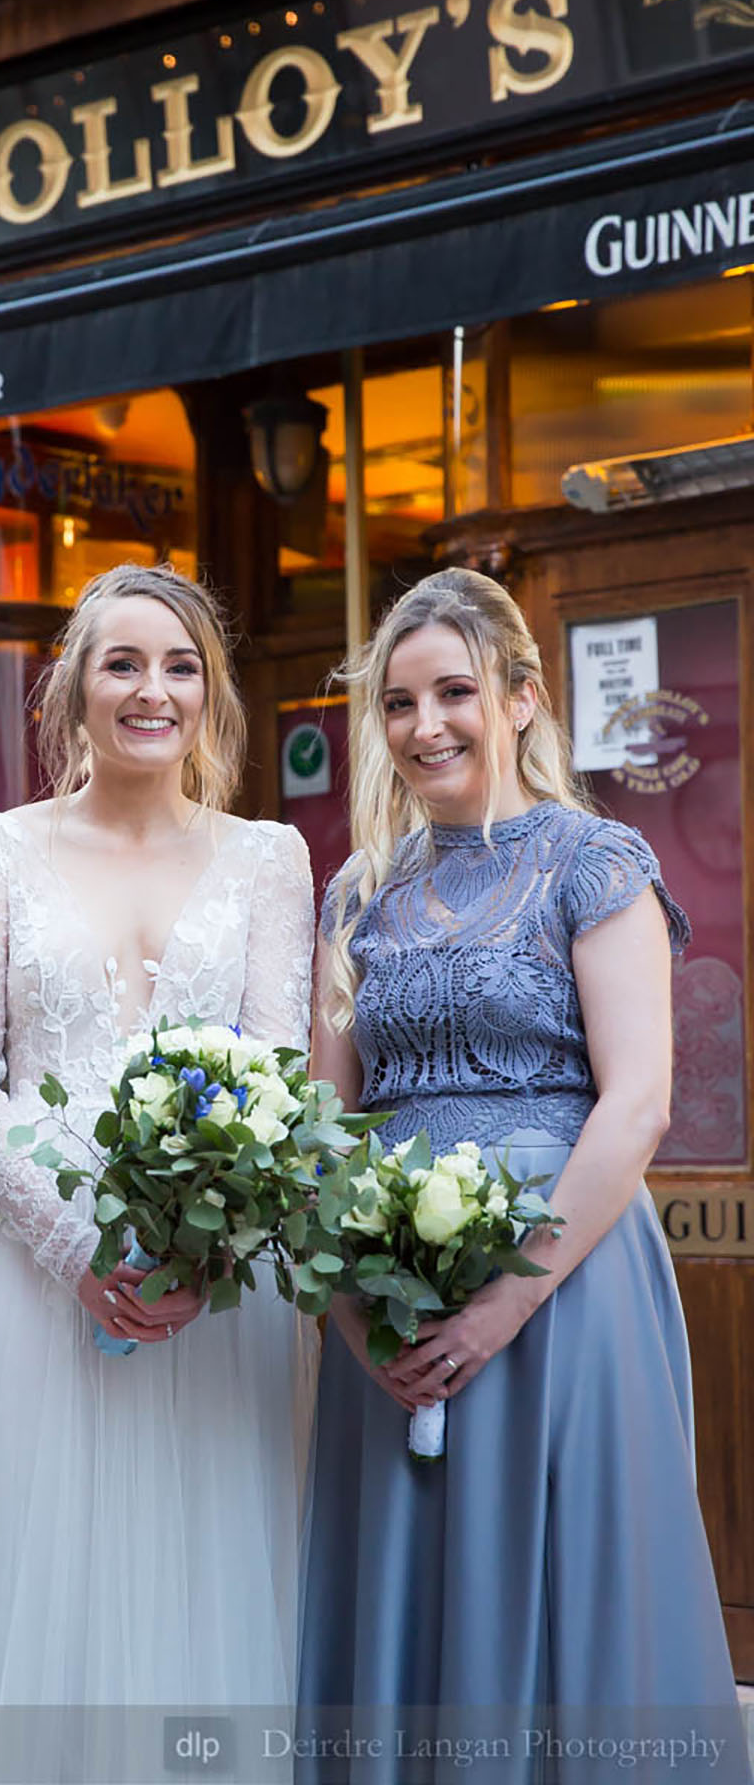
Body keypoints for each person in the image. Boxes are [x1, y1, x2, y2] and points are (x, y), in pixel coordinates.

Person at [0, 563, 318, 1785]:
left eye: (179, 666)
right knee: (33, 1596)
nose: (151, 690)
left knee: (203, 1577)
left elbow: (277, 1066)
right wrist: (74, 1247)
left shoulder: (270, 857)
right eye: (122, 663)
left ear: (209, 695)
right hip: (29, 1276)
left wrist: (200, 1248)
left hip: (213, 1287)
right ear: (69, 690)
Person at [297, 568, 749, 1783]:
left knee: (566, 1579)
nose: (426, 725)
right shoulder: (359, 891)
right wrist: (350, 1310)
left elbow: (639, 1100)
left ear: (525, 698)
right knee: (411, 1576)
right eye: (398, 703)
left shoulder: (595, 862)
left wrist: (509, 1294)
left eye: (455, 692)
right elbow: (322, 1123)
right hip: (387, 1295)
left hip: (565, 1286)